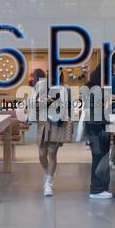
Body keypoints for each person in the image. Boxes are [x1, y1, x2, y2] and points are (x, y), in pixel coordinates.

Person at [33, 69, 73, 197]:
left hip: (57, 124)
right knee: (41, 154)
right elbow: (33, 102)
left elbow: (69, 108)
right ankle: (48, 173)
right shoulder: (41, 85)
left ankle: (48, 183)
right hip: (43, 123)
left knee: (52, 154)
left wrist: (70, 125)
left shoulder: (66, 88)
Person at [85, 64, 113, 199]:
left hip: (93, 128)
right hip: (99, 127)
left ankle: (98, 187)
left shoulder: (90, 88)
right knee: (100, 157)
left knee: (98, 157)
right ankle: (97, 189)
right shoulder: (101, 90)